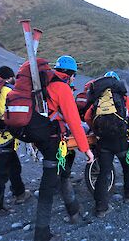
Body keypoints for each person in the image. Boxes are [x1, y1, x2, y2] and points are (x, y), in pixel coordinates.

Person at [33, 56, 94, 240]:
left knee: (63, 172)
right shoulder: (61, 87)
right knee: (48, 186)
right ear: (70, 74)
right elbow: (74, 121)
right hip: (54, 140)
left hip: (39, 137)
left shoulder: (41, 84)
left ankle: (74, 210)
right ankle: (41, 234)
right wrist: (87, 149)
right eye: (74, 75)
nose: (74, 79)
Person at [85, 71, 129, 218]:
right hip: (121, 140)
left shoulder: (98, 99)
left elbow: (86, 117)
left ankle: (101, 208)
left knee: (104, 173)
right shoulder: (123, 98)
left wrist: (97, 129)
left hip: (103, 142)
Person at [0, 66, 31, 216]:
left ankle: (19, 193)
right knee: (0, 172)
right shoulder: (6, 91)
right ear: (10, 77)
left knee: (14, 165)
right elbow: (10, 115)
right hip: (3, 137)